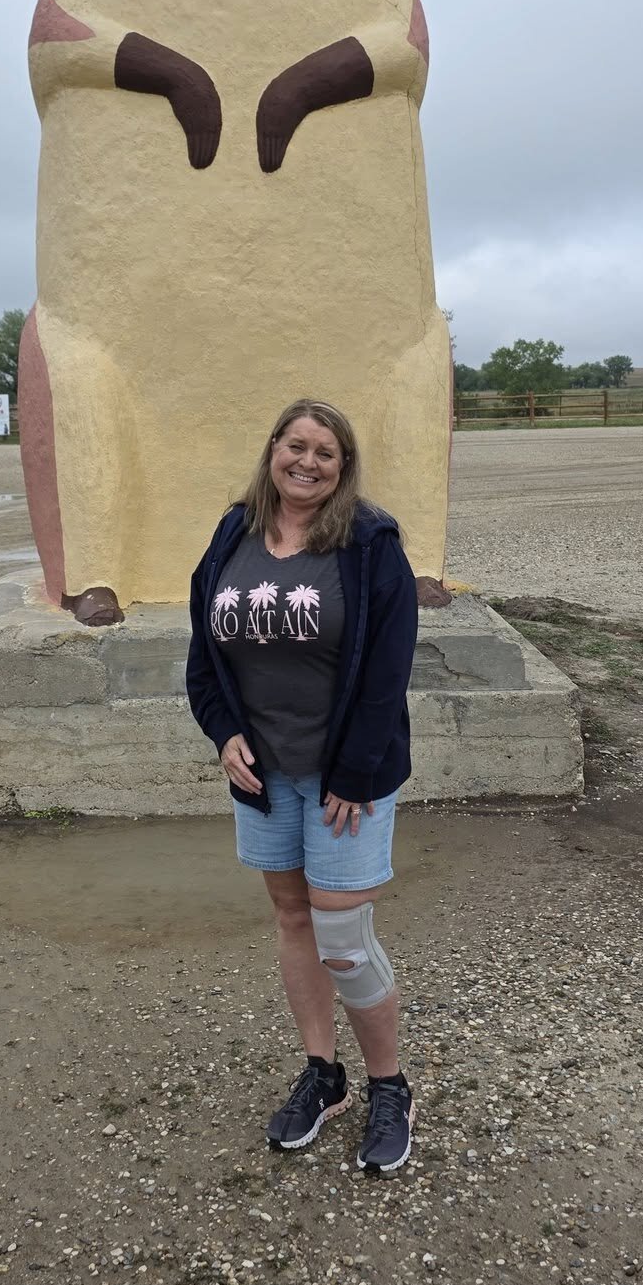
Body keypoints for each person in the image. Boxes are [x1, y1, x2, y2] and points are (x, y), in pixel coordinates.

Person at [186, 398, 419, 1173]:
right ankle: (324, 1076)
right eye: (296, 446)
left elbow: (387, 670)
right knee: (292, 920)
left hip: (344, 779)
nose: (307, 462)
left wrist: (353, 771)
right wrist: (222, 731)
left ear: (342, 468)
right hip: (263, 774)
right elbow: (203, 650)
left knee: (343, 940)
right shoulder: (234, 531)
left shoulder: (369, 542)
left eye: (325, 452)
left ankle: (389, 1086)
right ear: (273, 450)